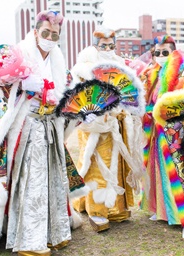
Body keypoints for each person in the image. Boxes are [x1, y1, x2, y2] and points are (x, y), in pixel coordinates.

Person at [0, 10, 86, 255]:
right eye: (46, 32)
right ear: (35, 32)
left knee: (51, 180)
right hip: (26, 128)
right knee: (32, 182)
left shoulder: (59, 61)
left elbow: (67, 98)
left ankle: (54, 231)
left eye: (55, 34)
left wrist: (80, 112)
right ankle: (30, 239)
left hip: (50, 127)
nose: (50, 37)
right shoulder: (19, 54)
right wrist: (20, 87)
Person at [71, 26, 145, 232]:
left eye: (112, 45)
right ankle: (97, 210)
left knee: (118, 164)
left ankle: (115, 209)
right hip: (95, 124)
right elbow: (78, 97)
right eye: (104, 45)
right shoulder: (84, 66)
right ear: (95, 46)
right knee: (97, 165)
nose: (109, 49)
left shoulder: (119, 64)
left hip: (117, 123)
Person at [139, 35, 184, 240]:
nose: (160, 56)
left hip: (175, 129)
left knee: (179, 171)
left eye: (165, 52)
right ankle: (160, 210)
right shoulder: (151, 74)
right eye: (157, 52)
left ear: (174, 53)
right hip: (154, 131)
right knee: (156, 170)